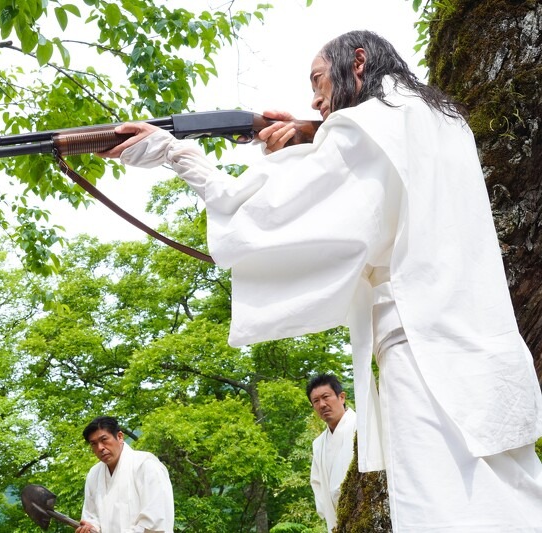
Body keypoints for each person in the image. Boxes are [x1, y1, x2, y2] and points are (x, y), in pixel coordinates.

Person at [99, 30, 542, 532]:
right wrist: (317, 136)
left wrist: (178, 156)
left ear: (357, 62)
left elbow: (271, 211)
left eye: (318, 79)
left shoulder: (369, 124)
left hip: (424, 354)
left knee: (445, 513)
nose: (315, 97)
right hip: (486, 356)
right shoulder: (444, 120)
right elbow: (385, 178)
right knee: (513, 504)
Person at [76, 416, 174, 533]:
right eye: (94, 444)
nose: (100, 448)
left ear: (120, 436)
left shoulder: (146, 465)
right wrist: (90, 527)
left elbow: (155, 521)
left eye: (104, 440)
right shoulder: (94, 474)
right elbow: (90, 516)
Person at [307, 374, 356, 532]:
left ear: (341, 397)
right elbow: (317, 482)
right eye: (316, 401)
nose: (322, 404)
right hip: (336, 521)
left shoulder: (362, 425)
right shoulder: (318, 444)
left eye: (326, 397)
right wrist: (327, 510)